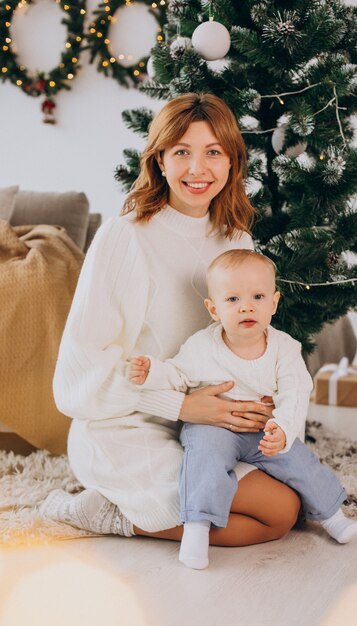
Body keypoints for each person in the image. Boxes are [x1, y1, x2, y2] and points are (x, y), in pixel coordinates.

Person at [39, 93, 302, 548]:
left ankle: (138, 508)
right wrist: (180, 406)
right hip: (128, 429)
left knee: (289, 506)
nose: (197, 169)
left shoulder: (236, 238)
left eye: (213, 152)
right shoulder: (126, 236)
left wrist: (257, 405)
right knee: (275, 516)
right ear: (159, 159)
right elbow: (77, 376)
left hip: (208, 430)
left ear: (232, 163)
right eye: (182, 151)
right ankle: (102, 512)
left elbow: (249, 340)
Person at [129, 249, 357, 568]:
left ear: (274, 303)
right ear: (213, 309)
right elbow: (177, 374)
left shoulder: (284, 349)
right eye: (233, 300)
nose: (247, 306)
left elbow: (295, 391)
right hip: (213, 425)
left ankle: (332, 516)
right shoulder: (202, 346)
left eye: (257, 296)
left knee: (299, 461)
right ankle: (196, 528)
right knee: (203, 459)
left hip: (263, 428)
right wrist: (152, 372)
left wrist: (282, 427)